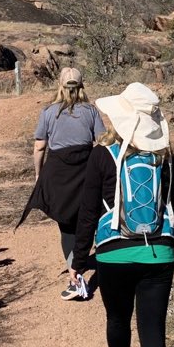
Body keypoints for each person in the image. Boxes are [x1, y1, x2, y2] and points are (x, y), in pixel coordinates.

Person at [72, 82, 174, 347]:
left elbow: (88, 210)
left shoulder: (102, 154)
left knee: (118, 317)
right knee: (153, 333)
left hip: (113, 253)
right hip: (158, 254)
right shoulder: (166, 156)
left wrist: (79, 259)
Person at [17, 67, 105, 300]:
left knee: (67, 225)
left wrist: (39, 174)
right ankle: (91, 263)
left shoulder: (49, 112)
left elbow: (39, 147)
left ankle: (75, 277)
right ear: (82, 86)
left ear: (60, 85)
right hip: (86, 172)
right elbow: (102, 141)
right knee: (88, 219)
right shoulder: (91, 111)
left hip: (58, 173)